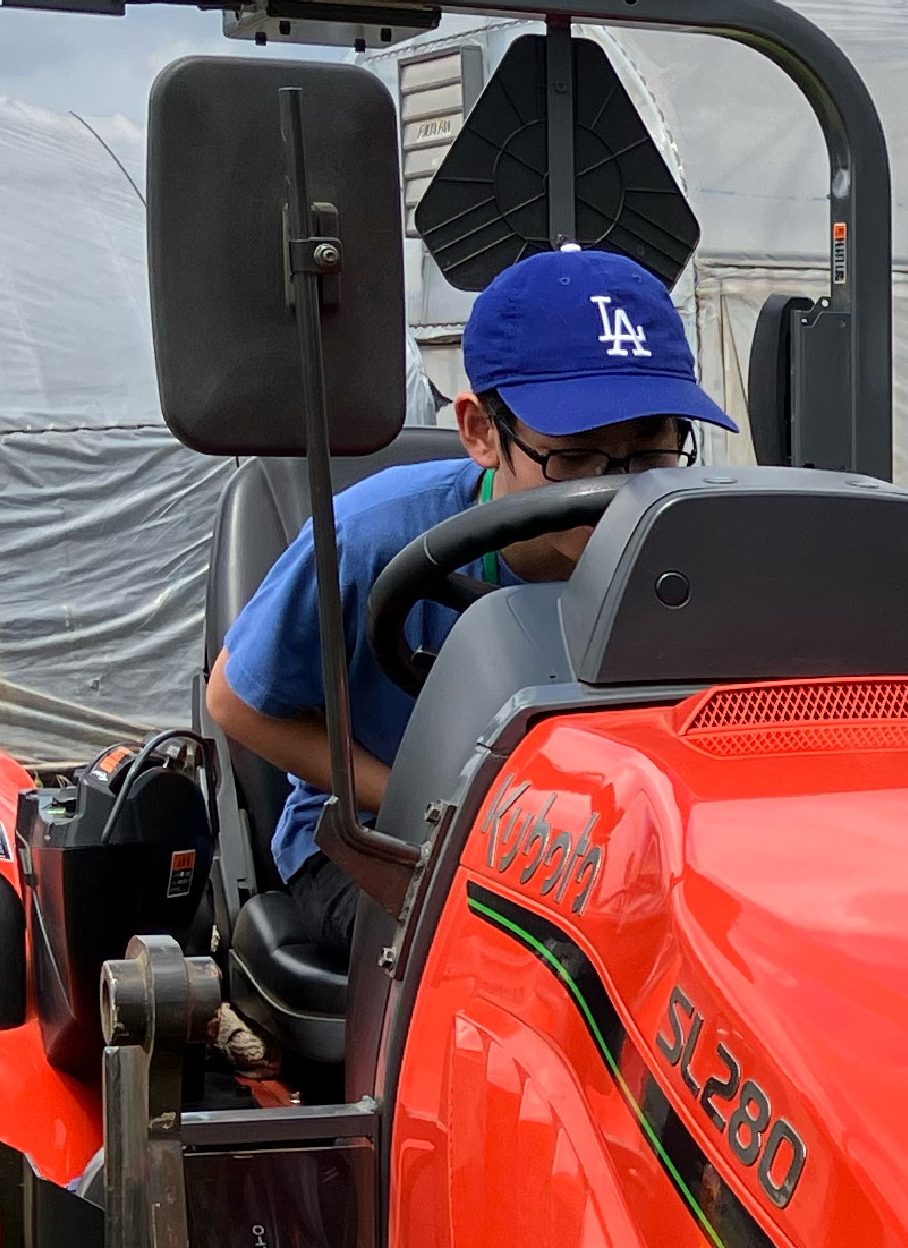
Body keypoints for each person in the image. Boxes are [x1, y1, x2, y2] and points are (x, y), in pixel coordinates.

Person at [207, 245, 732, 962]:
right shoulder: (371, 536)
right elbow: (235, 703)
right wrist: (423, 805)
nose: (616, 491)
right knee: (517, 957)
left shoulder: (692, 548)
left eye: (650, 452)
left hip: (602, 842)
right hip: (388, 840)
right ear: (482, 432)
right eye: (575, 457)